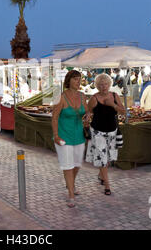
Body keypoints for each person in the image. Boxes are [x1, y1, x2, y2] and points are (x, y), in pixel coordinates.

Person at [51, 70, 90, 208]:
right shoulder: (60, 97)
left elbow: (86, 111)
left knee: (77, 163)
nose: (78, 82)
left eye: (79, 79)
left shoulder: (82, 96)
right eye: (75, 79)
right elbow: (54, 117)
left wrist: (87, 117)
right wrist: (56, 135)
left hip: (79, 135)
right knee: (68, 165)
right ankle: (71, 195)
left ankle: (70, 184)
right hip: (64, 135)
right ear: (68, 81)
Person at [86, 73, 126, 196]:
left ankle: (101, 175)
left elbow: (123, 111)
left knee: (108, 158)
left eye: (106, 84)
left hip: (112, 131)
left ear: (109, 84)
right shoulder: (94, 98)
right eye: (101, 85)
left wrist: (112, 105)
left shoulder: (114, 95)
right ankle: (107, 186)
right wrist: (87, 117)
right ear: (97, 86)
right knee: (102, 158)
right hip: (98, 131)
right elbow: (88, 111)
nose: (103, 87)